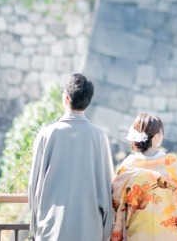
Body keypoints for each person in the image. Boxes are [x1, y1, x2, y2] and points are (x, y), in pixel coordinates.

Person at [28, 73, 115, 241]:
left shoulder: (47, 134)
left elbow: (34, 185)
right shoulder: (99, 136)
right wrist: (105, 231)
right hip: (90, 228)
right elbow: (107, 187)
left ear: (66, 98)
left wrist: (35, 227)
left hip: (50, 226)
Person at [110, 113, 177, 241]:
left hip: (137, 230)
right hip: (168, 231)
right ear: (155, 138)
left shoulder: (128, 165)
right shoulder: (170, 163)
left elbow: (116, 198)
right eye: (161, 133)